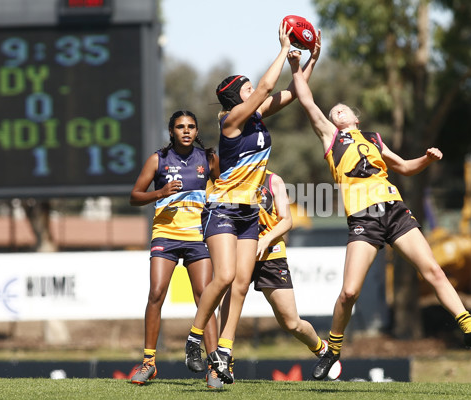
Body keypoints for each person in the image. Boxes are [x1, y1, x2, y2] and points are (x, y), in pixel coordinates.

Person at [288, 52, 471, 380]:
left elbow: (403, 168)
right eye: (332, 112)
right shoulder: (331, 137)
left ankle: (470, 329)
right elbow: (305, 97)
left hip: (394, 210)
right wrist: (298, 63)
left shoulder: (374, 139)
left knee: (433, 270)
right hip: (364, 217)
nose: (335, 111)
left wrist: (427, 159)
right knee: (349, 292)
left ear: (355, 117)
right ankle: (332, 350)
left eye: (340, 109)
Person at [182, 22, 321, 385]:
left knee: (241, 284)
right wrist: (283, 47)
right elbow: (265, 87)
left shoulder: (255, 117)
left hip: (247, 215)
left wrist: (310, 59)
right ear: (237, 98)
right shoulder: (231, 121)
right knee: (225, 277)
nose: (253, 91)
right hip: (222, 209)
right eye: (246, 89)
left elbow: (292, 92)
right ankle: (195, 339)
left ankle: (224, 352)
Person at [128, 110, 223, 389]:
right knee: (156, 293)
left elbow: (223, 188)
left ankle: (215, 367)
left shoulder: (208, 158)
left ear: (196, 131)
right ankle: (148, 362)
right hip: (165, 235)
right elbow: (135, 196)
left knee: (205, 297)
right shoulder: (158, 159)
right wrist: (160, 192)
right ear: (171, 131)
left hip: (197, 237)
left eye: (191, 127)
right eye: (180, 127)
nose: (186, 131)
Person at [223, 170, 341, 380]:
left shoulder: (273, 180)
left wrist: (265, 240)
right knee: (227, 312)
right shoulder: (231, 178)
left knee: (291, 323)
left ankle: (322, 350)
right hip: (239, 255)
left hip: (270, 255)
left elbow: (287, 220)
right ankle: (224, 362)